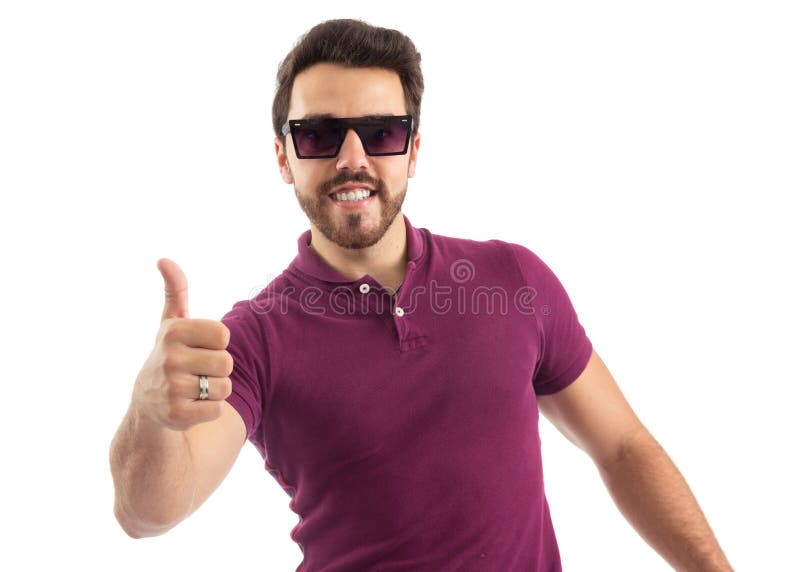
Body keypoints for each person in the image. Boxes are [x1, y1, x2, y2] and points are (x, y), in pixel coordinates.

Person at [109, 18, 733, 571]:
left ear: (413, 151)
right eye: (319, 135)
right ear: (283, 157)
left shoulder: (513, 280)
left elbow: (623, 447)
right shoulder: (251, 337)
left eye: (381, 133)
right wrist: (151, 414)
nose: (352, 159)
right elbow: (148, 514)